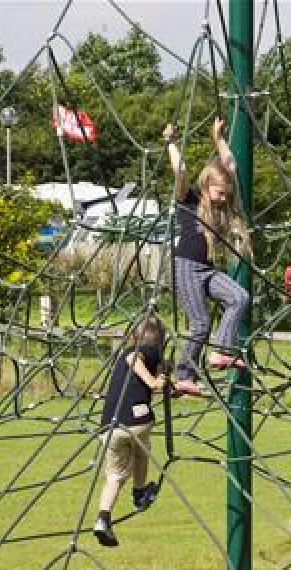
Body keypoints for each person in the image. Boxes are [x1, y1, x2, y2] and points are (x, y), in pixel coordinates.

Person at [164, 117, 252, 396]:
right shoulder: (189, 201)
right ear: (205, 186)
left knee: (239, 297)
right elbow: (180, 170)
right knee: (200, 323)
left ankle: (220, 353)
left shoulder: (225, 208)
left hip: (206, 268)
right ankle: (184, 375)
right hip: (185, 266)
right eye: (218, 192)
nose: (222, 198)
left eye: (226, 194)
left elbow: (231, 166)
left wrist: (219, 138)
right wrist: (171, 143)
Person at [93, 315, 168, 547]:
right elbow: (135, 359)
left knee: (114, 476)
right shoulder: (144, 351)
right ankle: (139, 493)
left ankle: (103, 518)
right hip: (136, 421)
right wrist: (155, 381)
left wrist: (161, 382)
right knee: (141, 454)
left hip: (108, 427)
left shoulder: (120, 355)